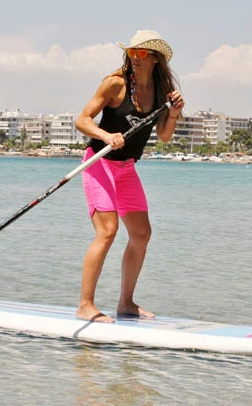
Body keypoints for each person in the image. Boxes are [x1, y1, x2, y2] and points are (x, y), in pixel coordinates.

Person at [75, 30, 185, 323]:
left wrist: (173, 114)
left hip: (126, 168)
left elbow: (163, 136)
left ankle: (126, 303)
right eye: (131, 53)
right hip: (99, 163)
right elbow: (82, 121)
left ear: (154, 59)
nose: (134, 59)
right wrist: (105, 135)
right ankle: (85, 305)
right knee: (107, 231)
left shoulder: (162, 93)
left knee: (141, 234)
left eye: (141, 54)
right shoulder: (115, 84)